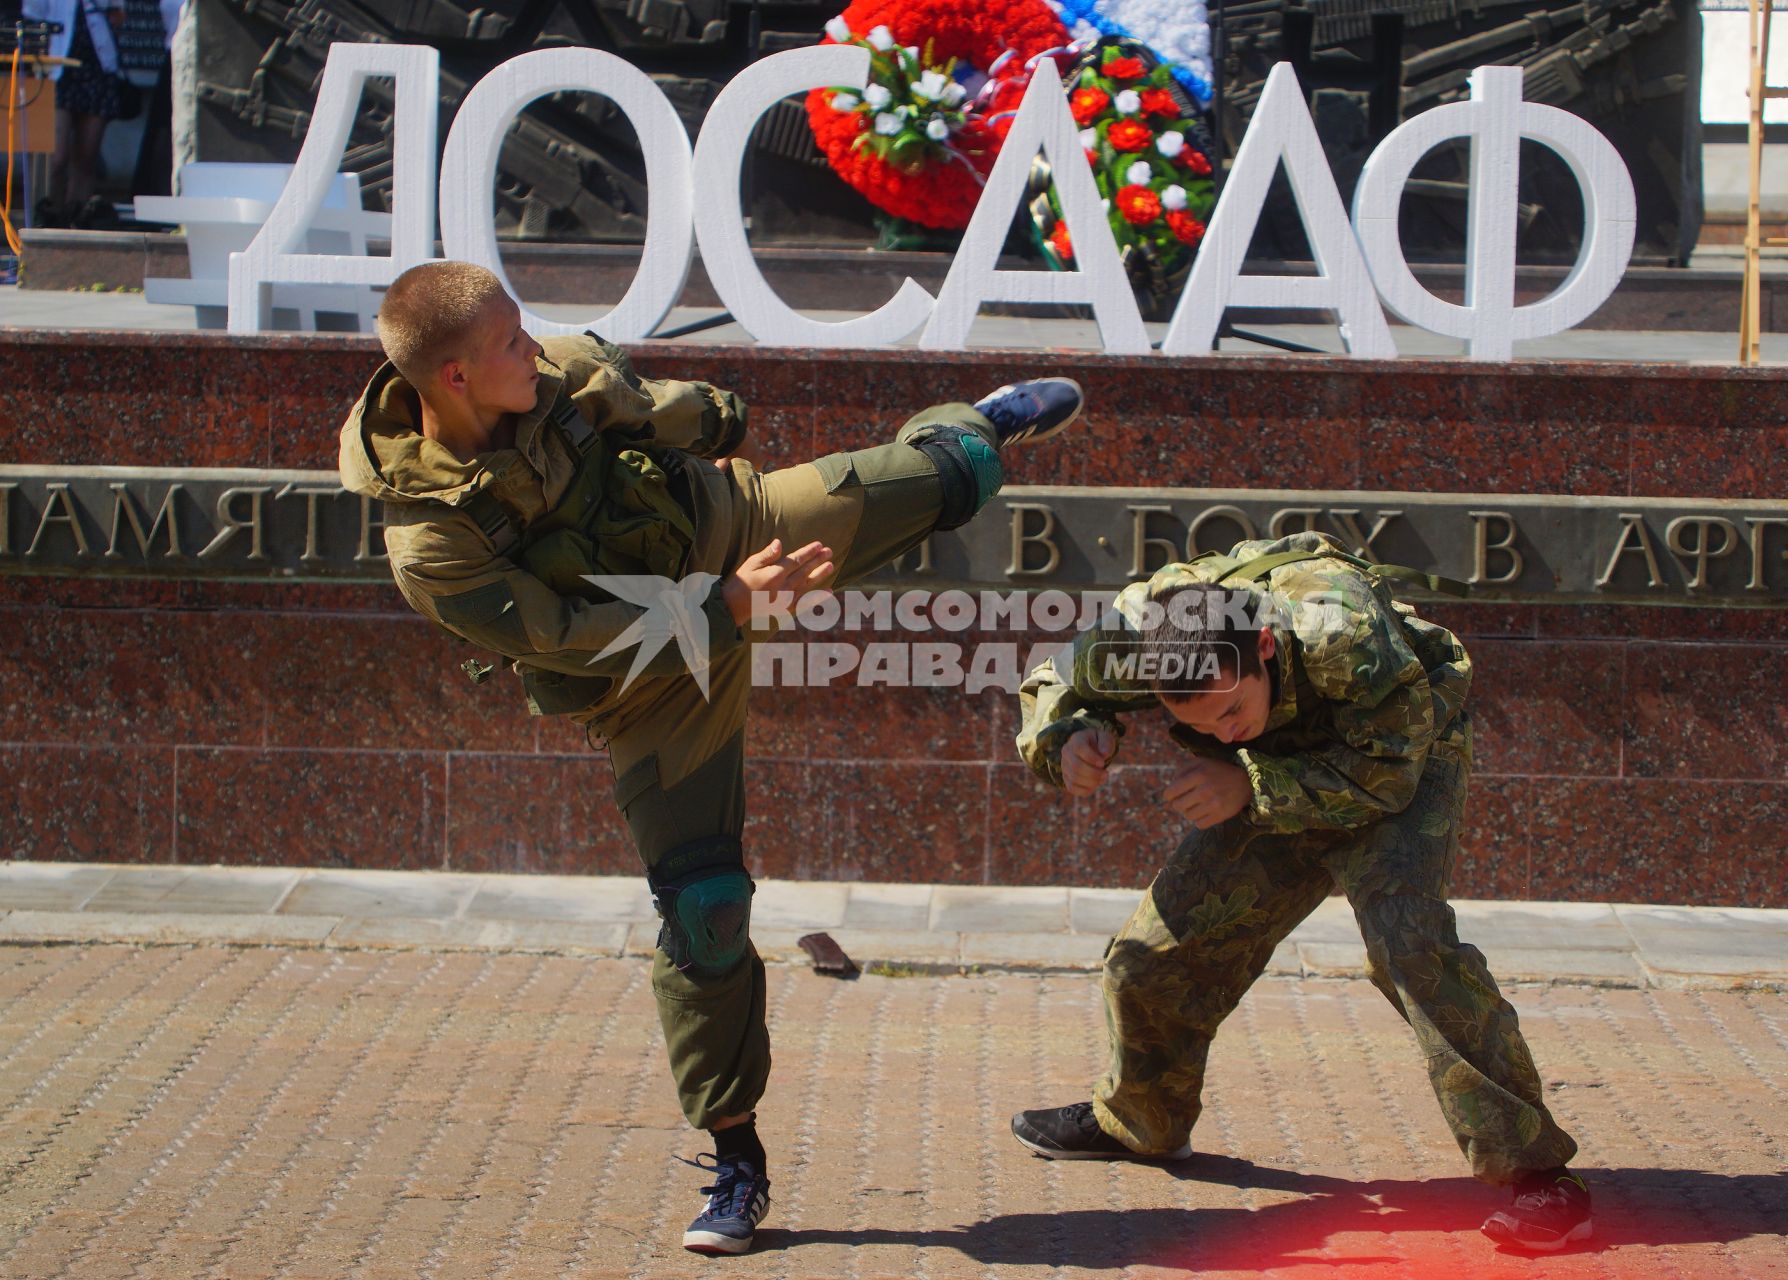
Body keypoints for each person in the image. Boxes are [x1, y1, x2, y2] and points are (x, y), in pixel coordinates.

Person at [337, 260, 1083, 1256]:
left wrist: (675, 414)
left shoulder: (562, 373)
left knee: (959, 475)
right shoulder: (430, 542)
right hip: (651, 674)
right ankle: (735, 1156)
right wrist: (726, 607)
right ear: (455, 379)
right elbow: (565, 632)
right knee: (704, 907)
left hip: (738, 528)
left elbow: (699, 417)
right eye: (511, 341)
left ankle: (980, 419)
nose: (536, 346)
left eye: (527, 328)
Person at [1008, 534, 1594, 1254]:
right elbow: (1054, 679)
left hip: (1400, 758)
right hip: (1271, 774)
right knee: (1151, 953)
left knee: (1409, 946)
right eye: (1198, 727)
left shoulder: (1341, 631)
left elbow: (1388, 774)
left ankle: (1540, 1178)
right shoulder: (1140, 638)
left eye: (1229, 714)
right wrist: (1069, 737)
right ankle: (1141, 1120)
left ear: (1260, 645)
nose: (1221, 731)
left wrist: (1246, 782)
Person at [24, 0, 128, 229]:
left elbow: (119, 14)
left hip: (97, 66)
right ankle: (50, 215)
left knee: (86, 156)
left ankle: (77, 218)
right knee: (56, 156)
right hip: (56, 68)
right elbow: (31, 17)